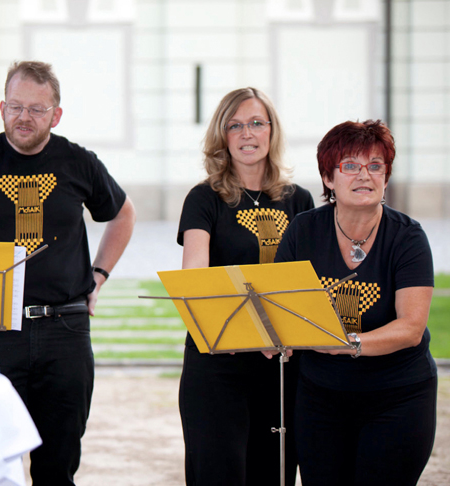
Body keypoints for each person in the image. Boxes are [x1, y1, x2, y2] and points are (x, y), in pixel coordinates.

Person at [0, 60, 136, 485]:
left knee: (58, 464)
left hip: (66, 331)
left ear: (55, 116)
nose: (24, 117)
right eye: (16, 106)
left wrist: (99, 275)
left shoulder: (78, 162)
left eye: (37, 109)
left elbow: (123, 215)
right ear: (2, 107)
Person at [275, 120, 436, 485]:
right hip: (321, 396)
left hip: (398, 396)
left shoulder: (408, 237)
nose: (364, 175)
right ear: (329, 179)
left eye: (375, 165)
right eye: (350, 165)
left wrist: (346, 345)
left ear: (385, 177)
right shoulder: (303, 230)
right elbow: (282, 306)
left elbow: (411, 328)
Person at [177, 87, 314, 485]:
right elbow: (194, 281)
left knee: (273, 473)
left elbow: (308, 281)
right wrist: (249, 334)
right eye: (235, 125)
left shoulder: (298, 200)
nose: (247, 133)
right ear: (223, 136)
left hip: (281, 365)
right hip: (218, 363)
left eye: (256, 123)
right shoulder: (204, 199)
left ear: (272, 131)